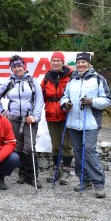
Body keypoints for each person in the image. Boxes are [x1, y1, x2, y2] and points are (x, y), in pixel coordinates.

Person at [60, 52, 111, 198]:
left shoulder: (98, 79)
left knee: (88, 151)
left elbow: (108, 99)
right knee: (78, 151)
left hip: (90, 123)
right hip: (73, 123)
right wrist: (65, 104)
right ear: (76, 64)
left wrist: (92, 102)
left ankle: (99, 184)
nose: (81, 64)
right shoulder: (72, 79)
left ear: (89, 64)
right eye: (79, 62)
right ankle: (85, 180)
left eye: (84, 62)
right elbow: (65, 96)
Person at [0, 55, 44, 188]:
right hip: (13, 120)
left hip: (29, 120)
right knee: (17, 147)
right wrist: (2, 112)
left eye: (19, 66)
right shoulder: (9, 82)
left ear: (24, 66)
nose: (17, 69)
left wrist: (35, 116)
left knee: (29, 147)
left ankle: (32, 176)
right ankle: (22, 174)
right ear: (11, 69)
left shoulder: (33, 81)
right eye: (14, 67)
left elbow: (39, 100)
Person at [41, 51, 74, 185]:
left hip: (66, 114)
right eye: (53, 60)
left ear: (62, 62)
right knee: (55, 145)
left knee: (67, 145)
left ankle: (66, 170)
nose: (55, 63)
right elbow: (42, 95)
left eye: (58, 60)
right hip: (51, 114)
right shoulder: (47, 77)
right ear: (50, 62)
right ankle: (56, 169)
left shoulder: (71, 76)